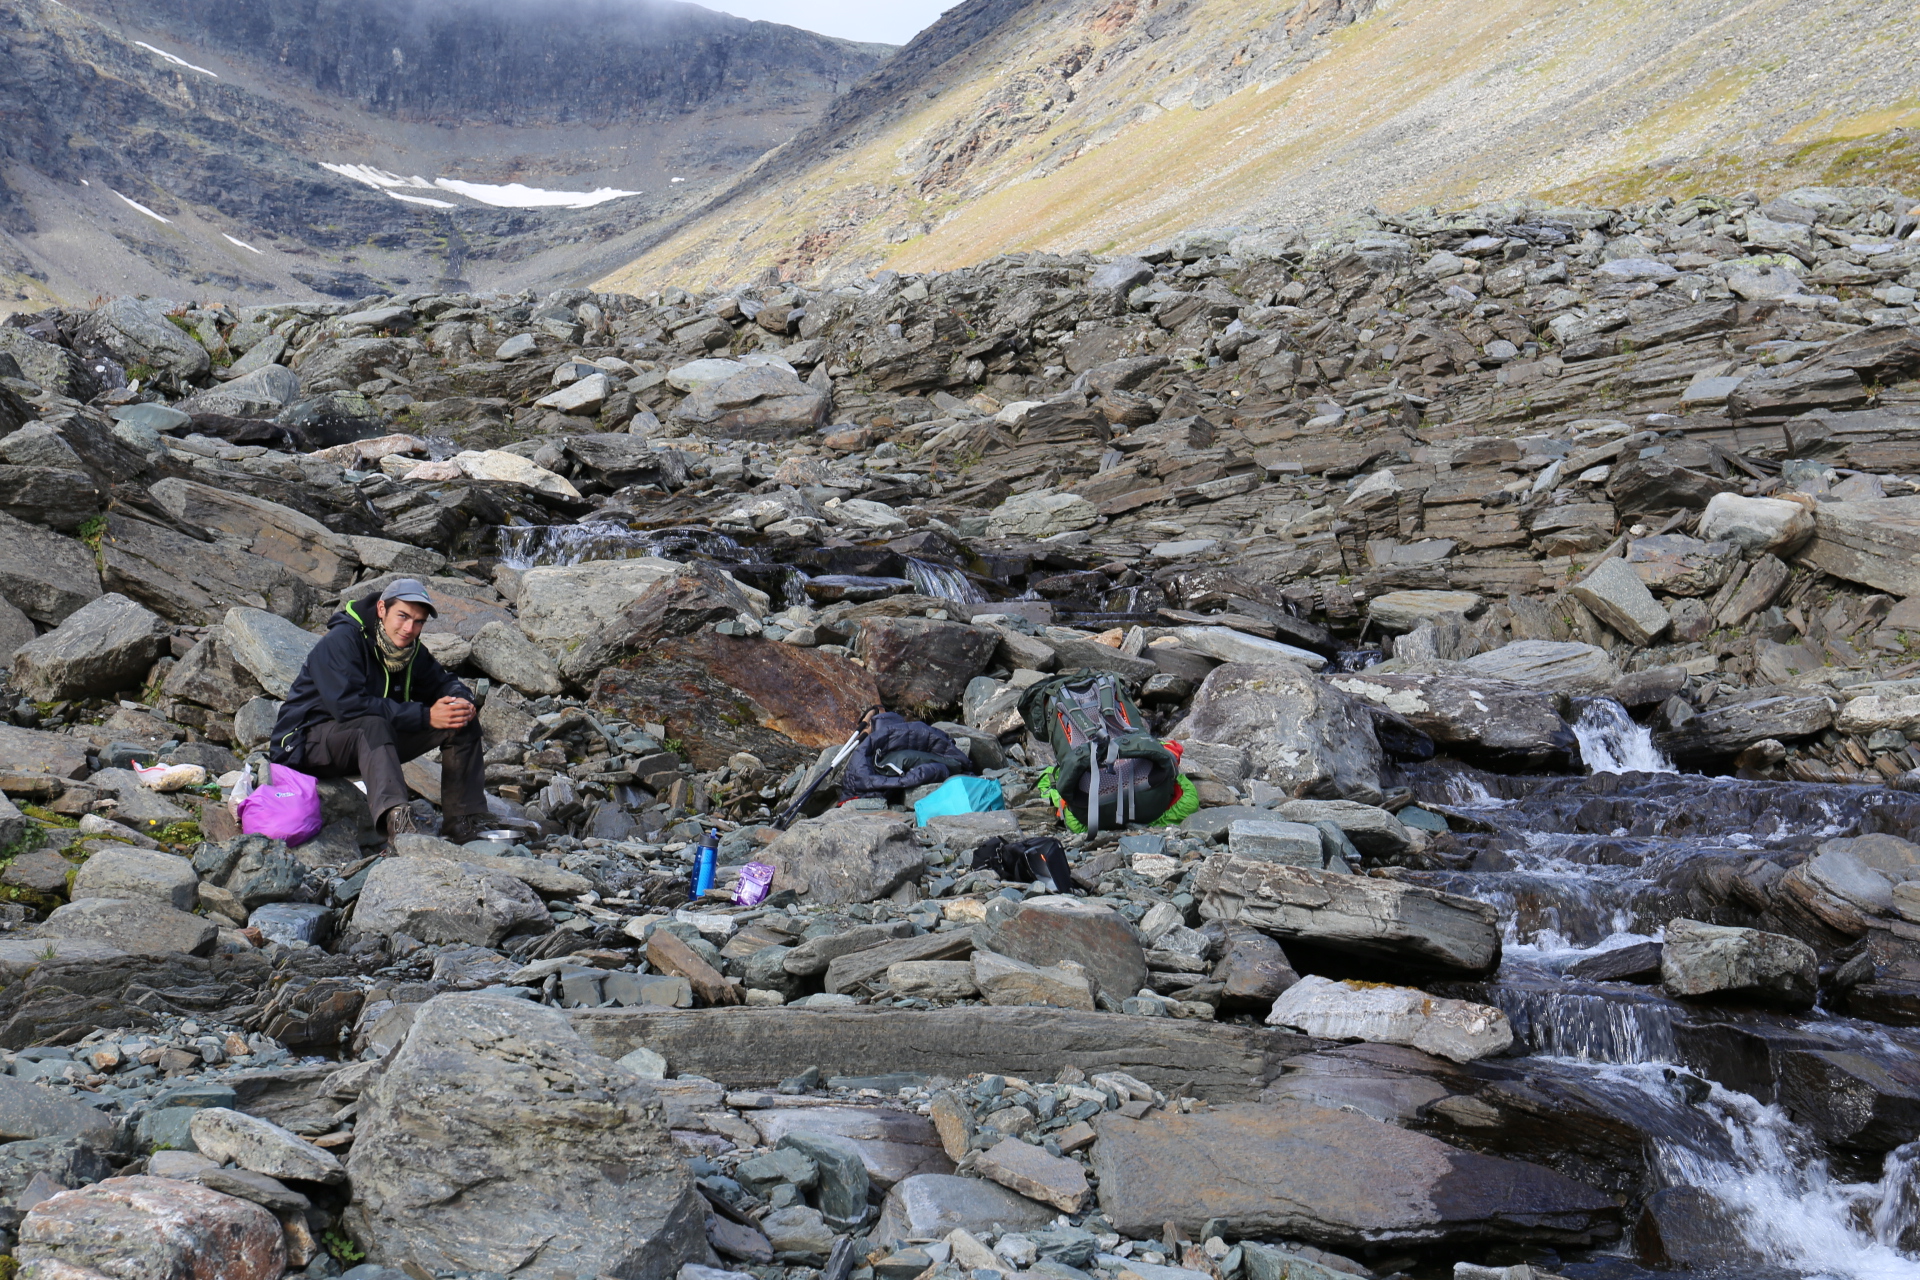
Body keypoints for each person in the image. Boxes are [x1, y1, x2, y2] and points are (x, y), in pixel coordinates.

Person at [266, 579, 487, 847]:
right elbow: (347, 706)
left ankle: (464, 823)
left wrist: (461, 702)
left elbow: (442, 681)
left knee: (458, 722)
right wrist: (425, 716)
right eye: (403, 616)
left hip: (366, 745)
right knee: (373, 724)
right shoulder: (342, 641)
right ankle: (398, 823)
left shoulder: (408, 650)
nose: (409, 628)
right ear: (382, 609)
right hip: (304, 744)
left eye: (418, 622)